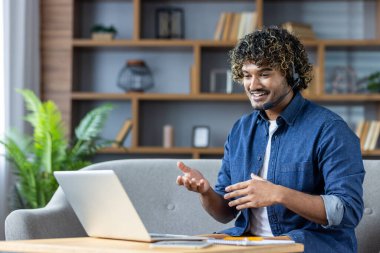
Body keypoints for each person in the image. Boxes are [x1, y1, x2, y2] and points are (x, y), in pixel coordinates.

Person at [176, 26, 364, 253]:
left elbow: (347, 210)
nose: (253, 85)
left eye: (265, 74)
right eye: (247, 75)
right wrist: (205, 192)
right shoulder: (241, 130)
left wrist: (278, 194)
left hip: (307, 246)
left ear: (292, 75)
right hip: (249, 244)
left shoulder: (330, 129)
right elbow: (226, 212)